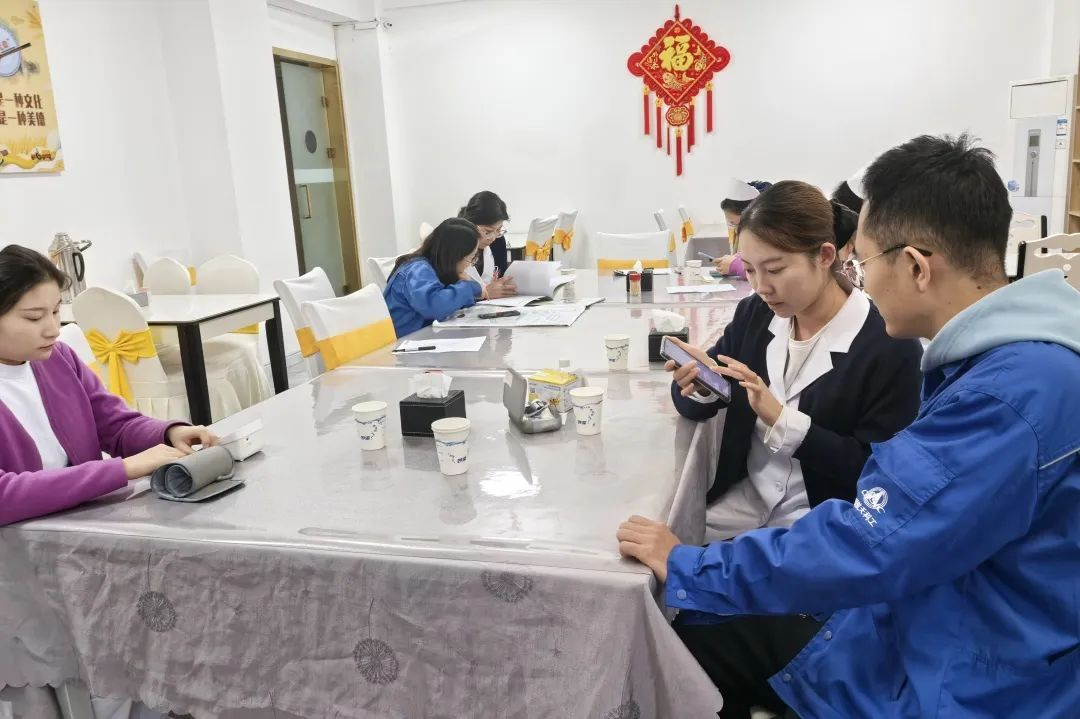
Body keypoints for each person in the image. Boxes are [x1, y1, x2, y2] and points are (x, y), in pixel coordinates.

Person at [617, 134, 1080, 718]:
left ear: (914, 267)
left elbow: (870, 540)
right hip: (944, 619)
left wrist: (693, 565)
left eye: (862, 262)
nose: (859, 280)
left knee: (668, 646)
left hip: (964, 674)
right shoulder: (1016, 363)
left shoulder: (1003, 398)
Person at [667, 180, 921, 542]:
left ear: (825, 256)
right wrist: (697, 384)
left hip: (827, 526)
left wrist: (783, 421)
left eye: (775, 270)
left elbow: (879, 474)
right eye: (749, 269)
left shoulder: (889, 346)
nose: (761, 286)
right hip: (745, 503)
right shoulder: (756, 315)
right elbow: (708, 393)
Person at [0, 245, 216, 527]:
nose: (53, 328)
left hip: (87, 524)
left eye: (55, 311)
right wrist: (121, 469)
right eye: (34, 317)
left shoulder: (59, 359)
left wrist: (168, 433)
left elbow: (115, 425)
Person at [384, 218, 484, 336]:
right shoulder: (417, 270)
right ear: (454, 256)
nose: (470, 264)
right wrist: (470, 288)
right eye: (471, 257)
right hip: (405, 341)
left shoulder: (435, 266)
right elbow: (435, 307)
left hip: (424, 336)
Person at [458, 190, 517, 299]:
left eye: (498, 230)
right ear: (470, 224)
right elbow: (448, 295)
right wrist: (485, 293)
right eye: (487, 231)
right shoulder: (454, 246)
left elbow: (501, 276)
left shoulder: (498, 241)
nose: (493, 238)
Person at [712, 178, 771, 277]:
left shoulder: (775, 236)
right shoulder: (752, 235)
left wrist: (736, 265)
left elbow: (770, 270)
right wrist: (734, 259)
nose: (736, 230)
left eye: (739, 224)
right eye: (732, 224)